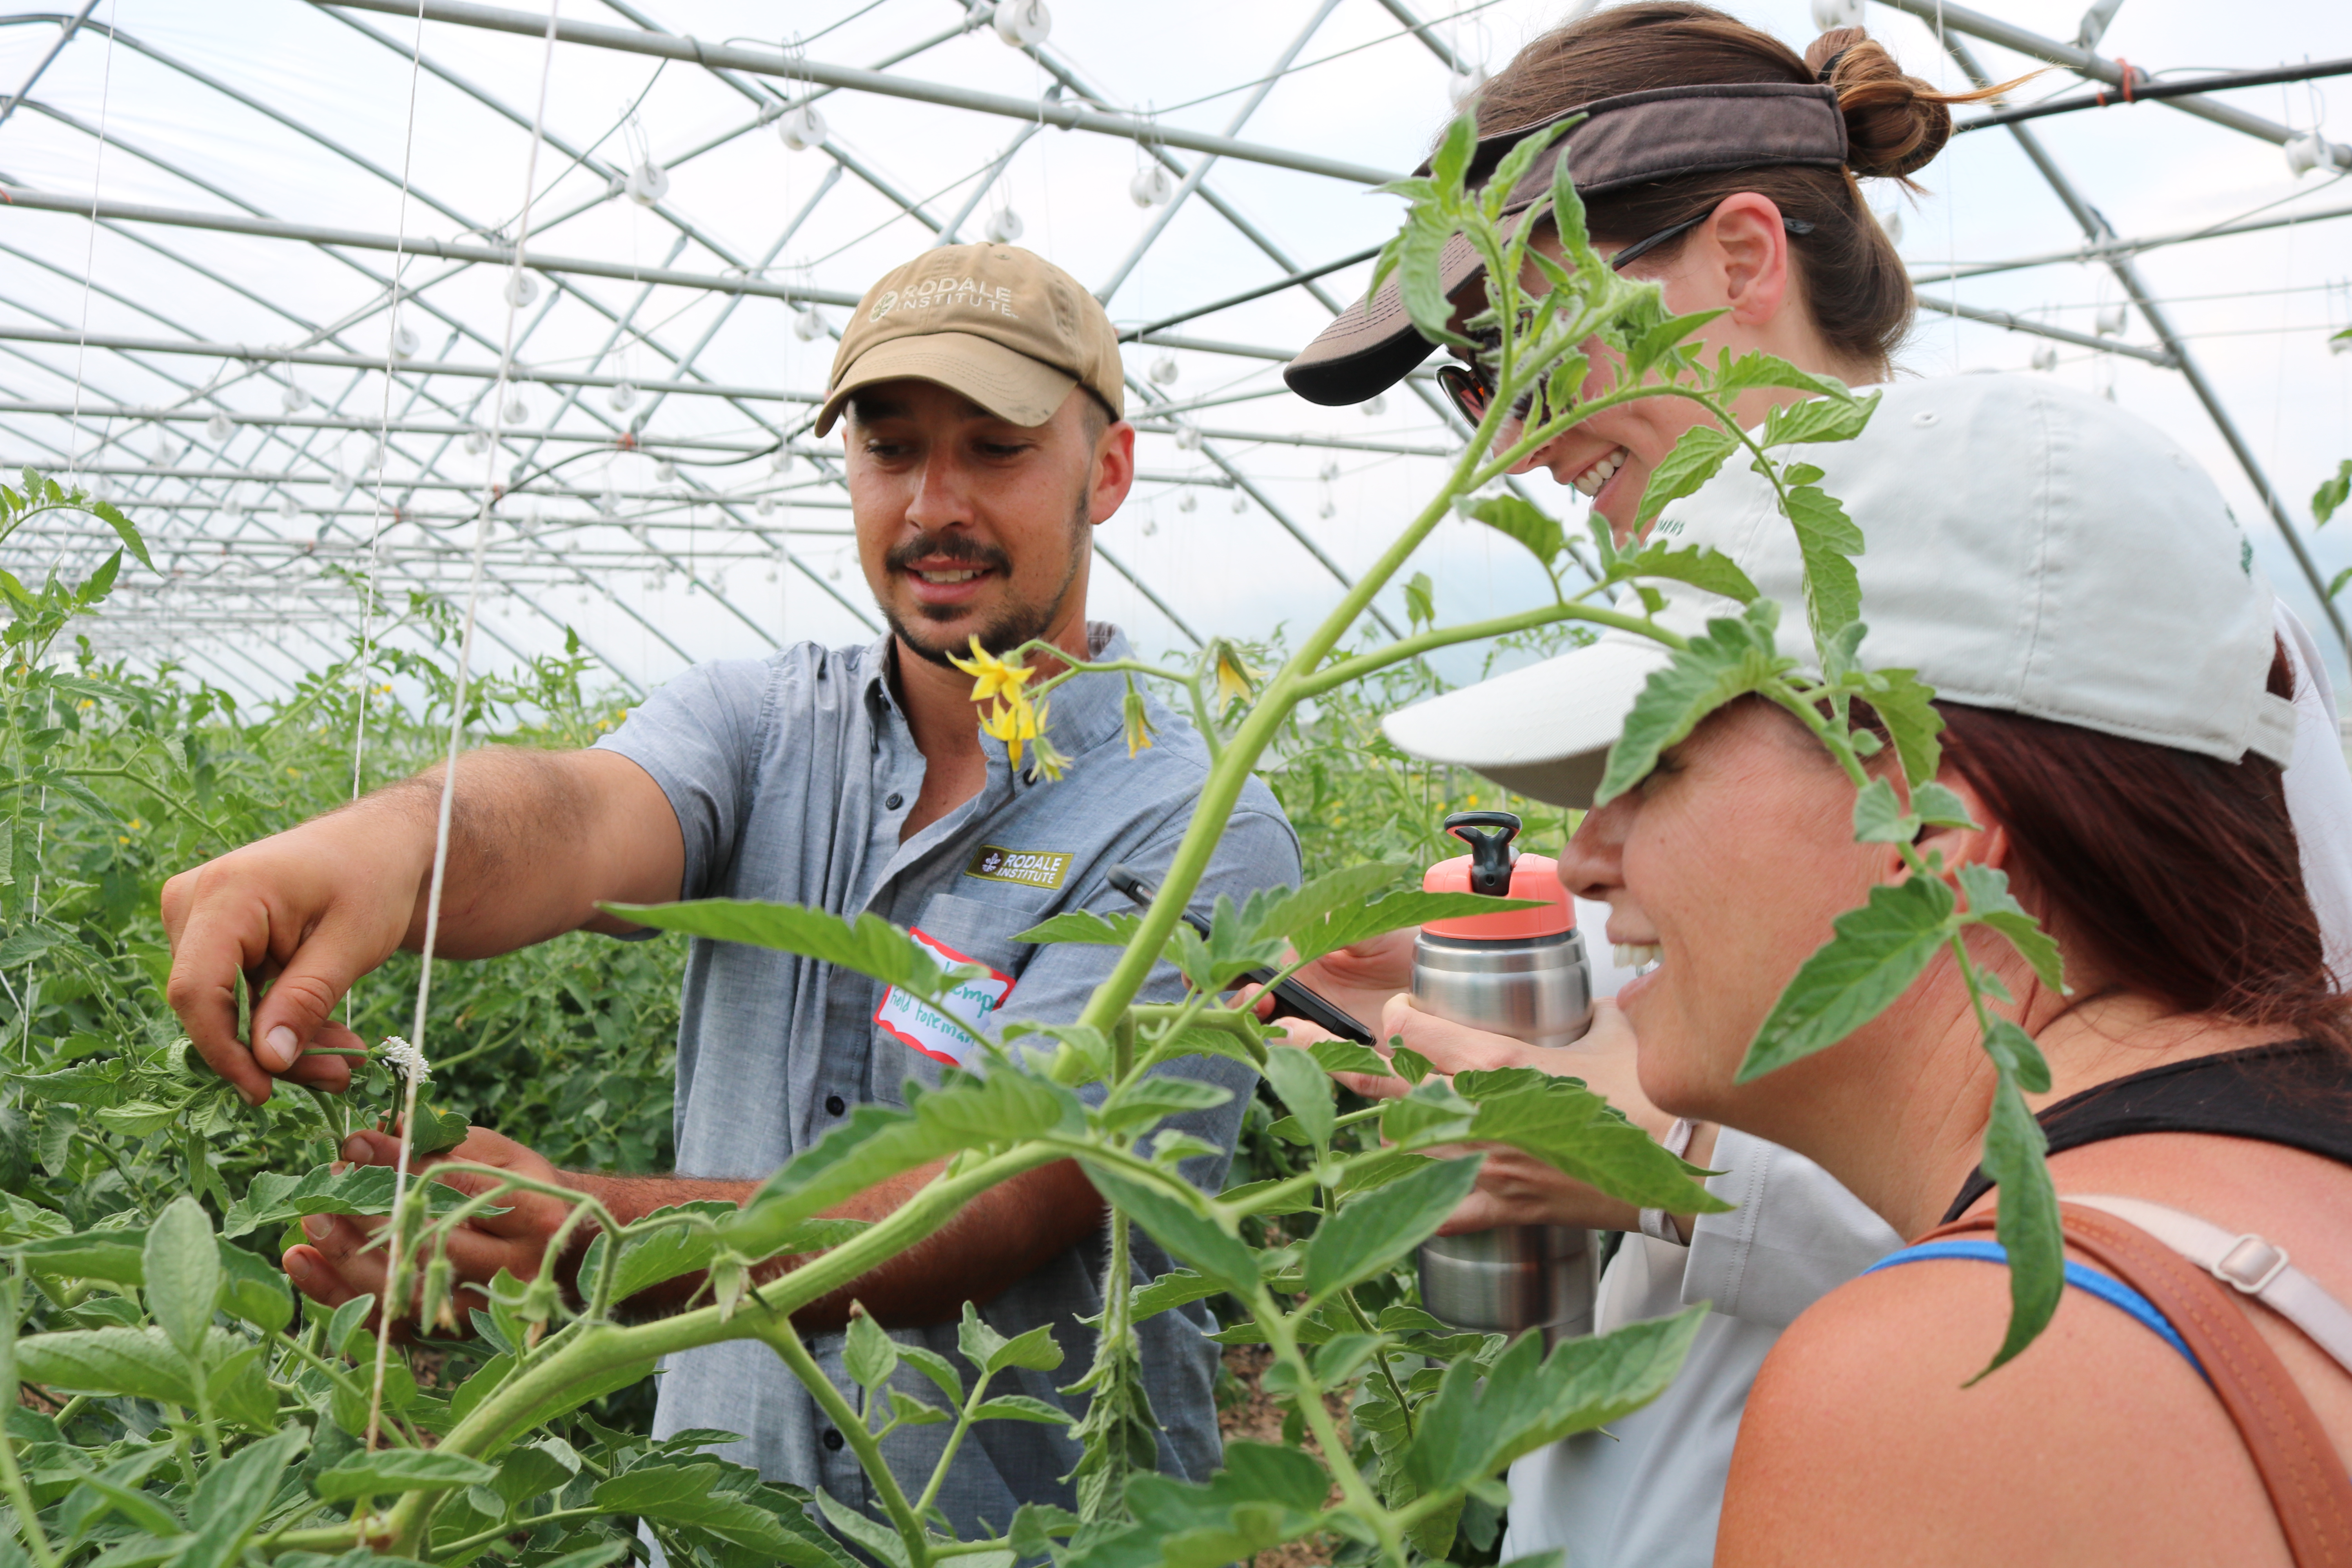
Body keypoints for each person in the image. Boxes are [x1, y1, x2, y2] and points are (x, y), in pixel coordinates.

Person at [1277, 6, 2352, 1564]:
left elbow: (2193, 1113)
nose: (1508, 443)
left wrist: (1661, 1166)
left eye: (1523, 342)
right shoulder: (1685, 614)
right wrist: (1529, 1003)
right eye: (1469, 381)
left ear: (1735, 255)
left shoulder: (2082, 599)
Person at [160, 242, 1302, 1532]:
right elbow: (577, 816)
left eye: (995, 449)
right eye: (888, 450)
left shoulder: (1191, 822)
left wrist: (599, 1242)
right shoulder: (764, 725)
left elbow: (1007, 1196)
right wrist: (390, 846)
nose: (933, 504)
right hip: (719, 1536)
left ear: (1108, 472)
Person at [1388, 370, 2352, 1564]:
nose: (1583, 860)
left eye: (1660, 770)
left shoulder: (1961, 1373)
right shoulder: (2297, 1166)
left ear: (1933, 830)